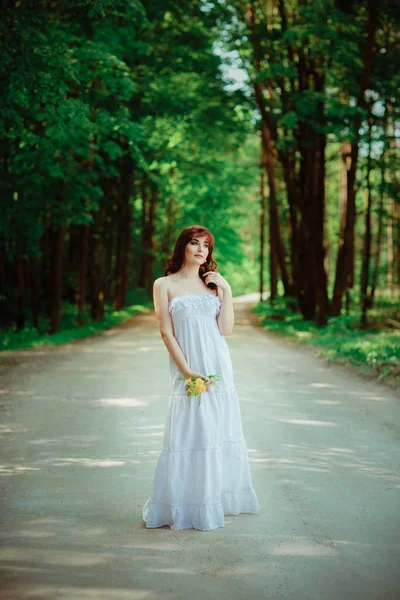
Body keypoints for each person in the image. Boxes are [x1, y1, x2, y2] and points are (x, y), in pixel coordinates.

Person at [142, 225, 260, 531]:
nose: (200, 250)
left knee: (216, 432)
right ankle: (184, 504)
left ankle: (214, 500)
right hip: (187, 366)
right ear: (183, 247)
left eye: (206, 246)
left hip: (218, 364)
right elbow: (166, 332)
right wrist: (187, 371)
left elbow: (226, 330)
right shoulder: (163, 284)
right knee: (190, 432)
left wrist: (227, 290)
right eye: (195, 243)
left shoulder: (213, 286)